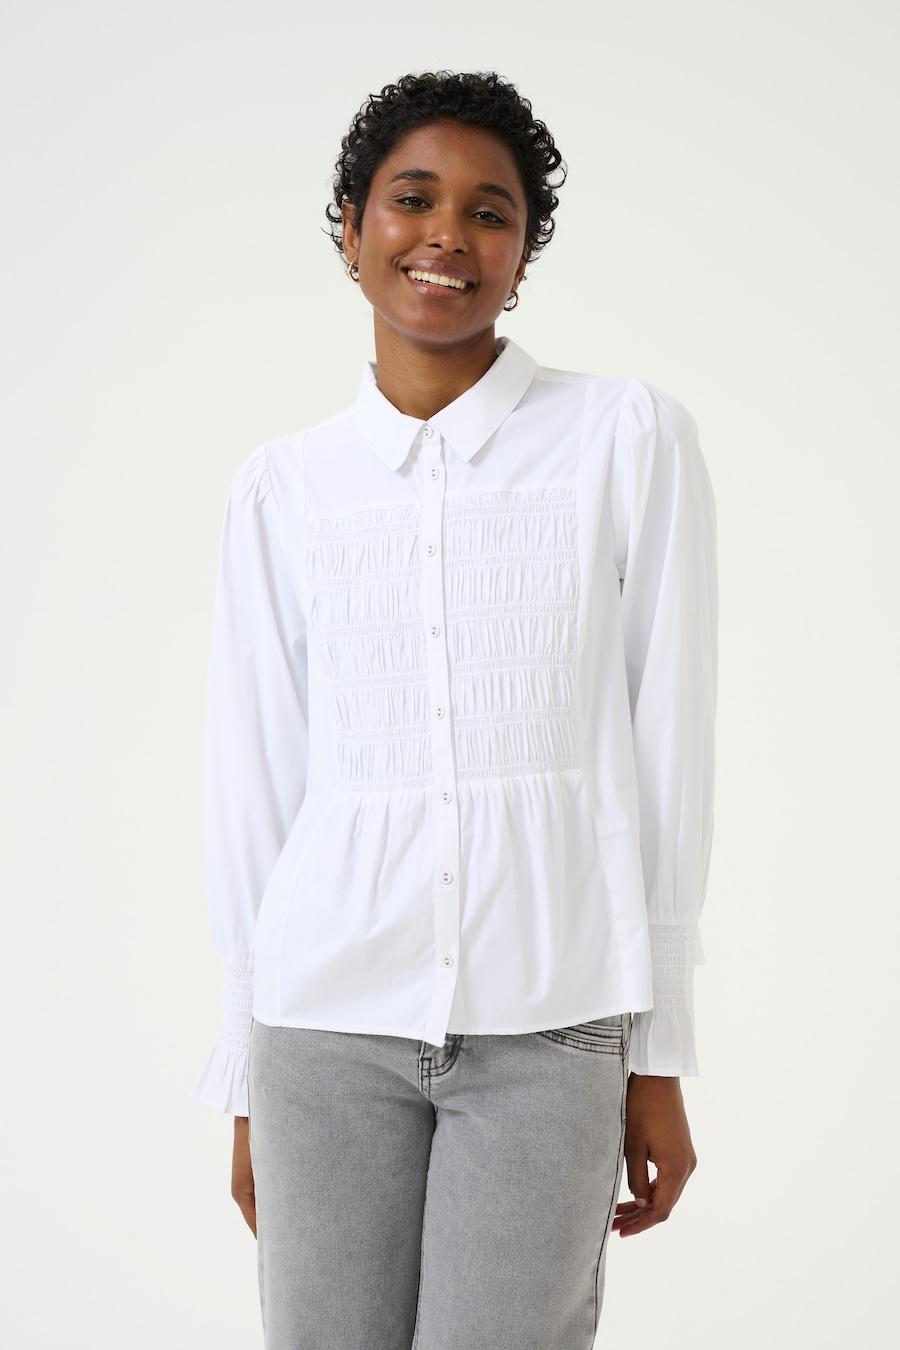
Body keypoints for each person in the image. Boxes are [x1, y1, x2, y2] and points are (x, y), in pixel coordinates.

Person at [192, 70, 719, 1350]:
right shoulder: (283, 490)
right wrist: (246, 1069)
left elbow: (670, 748)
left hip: (554, 1022)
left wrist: (659, 1052)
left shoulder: (625, 439)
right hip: (323, 1029)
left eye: (491, 212)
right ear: (351, 224)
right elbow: (255, 783)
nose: (447, 235)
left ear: (524, 255)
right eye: (412, 199)